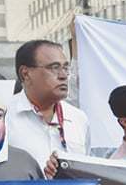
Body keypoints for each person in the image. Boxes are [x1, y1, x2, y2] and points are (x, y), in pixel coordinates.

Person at [7, 39, 90, 168]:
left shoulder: (78, 118)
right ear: (26, 74)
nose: (63, 76)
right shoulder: (2, 117)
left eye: (66, 68)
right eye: (54, 68)